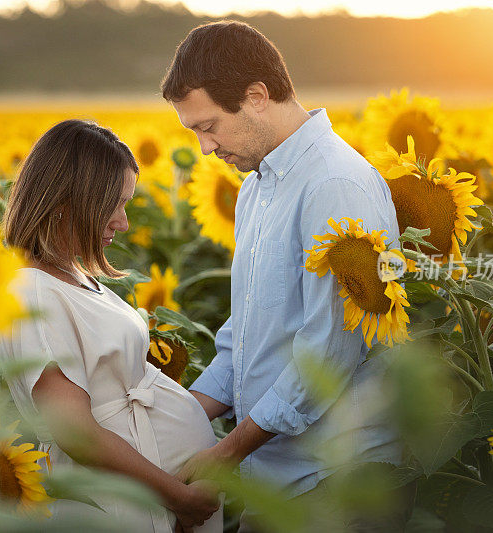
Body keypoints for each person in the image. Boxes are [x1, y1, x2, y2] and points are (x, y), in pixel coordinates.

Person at [161, 21, 414, 531]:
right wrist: (174, 417)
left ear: (256, 96)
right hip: (279, 475)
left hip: (338, 478)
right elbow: (246, 335)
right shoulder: (257, 188)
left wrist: (227, 452)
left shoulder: (334, 184)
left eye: (208, 127)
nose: (206, 148)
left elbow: (332, 349)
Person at [0, 119, 222, 532]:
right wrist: (178, 498)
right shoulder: (31, 291)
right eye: (113, 204)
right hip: (117, 507)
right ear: (67, 200)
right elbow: (75, 431)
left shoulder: (73, 278)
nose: (123, 222)